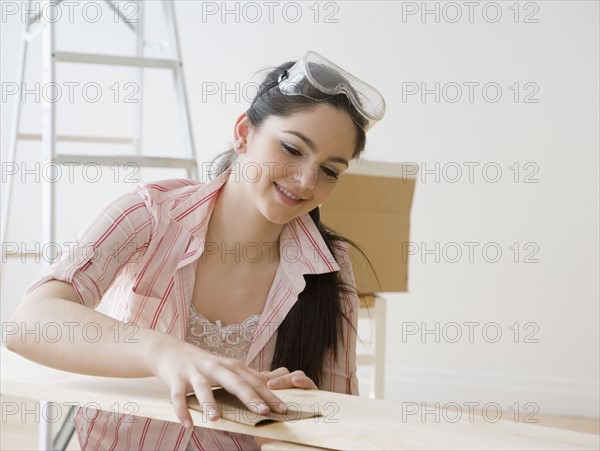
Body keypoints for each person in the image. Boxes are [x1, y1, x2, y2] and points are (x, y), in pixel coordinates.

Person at [6, 50, 386, 450]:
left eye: (330, 170)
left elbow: (342, 422)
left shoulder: (331, 264)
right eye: (292, 149)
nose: (307, 181)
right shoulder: (149, 214)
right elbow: (28, 324)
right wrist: (162, 352)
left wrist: (305, 408)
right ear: (244, 133)